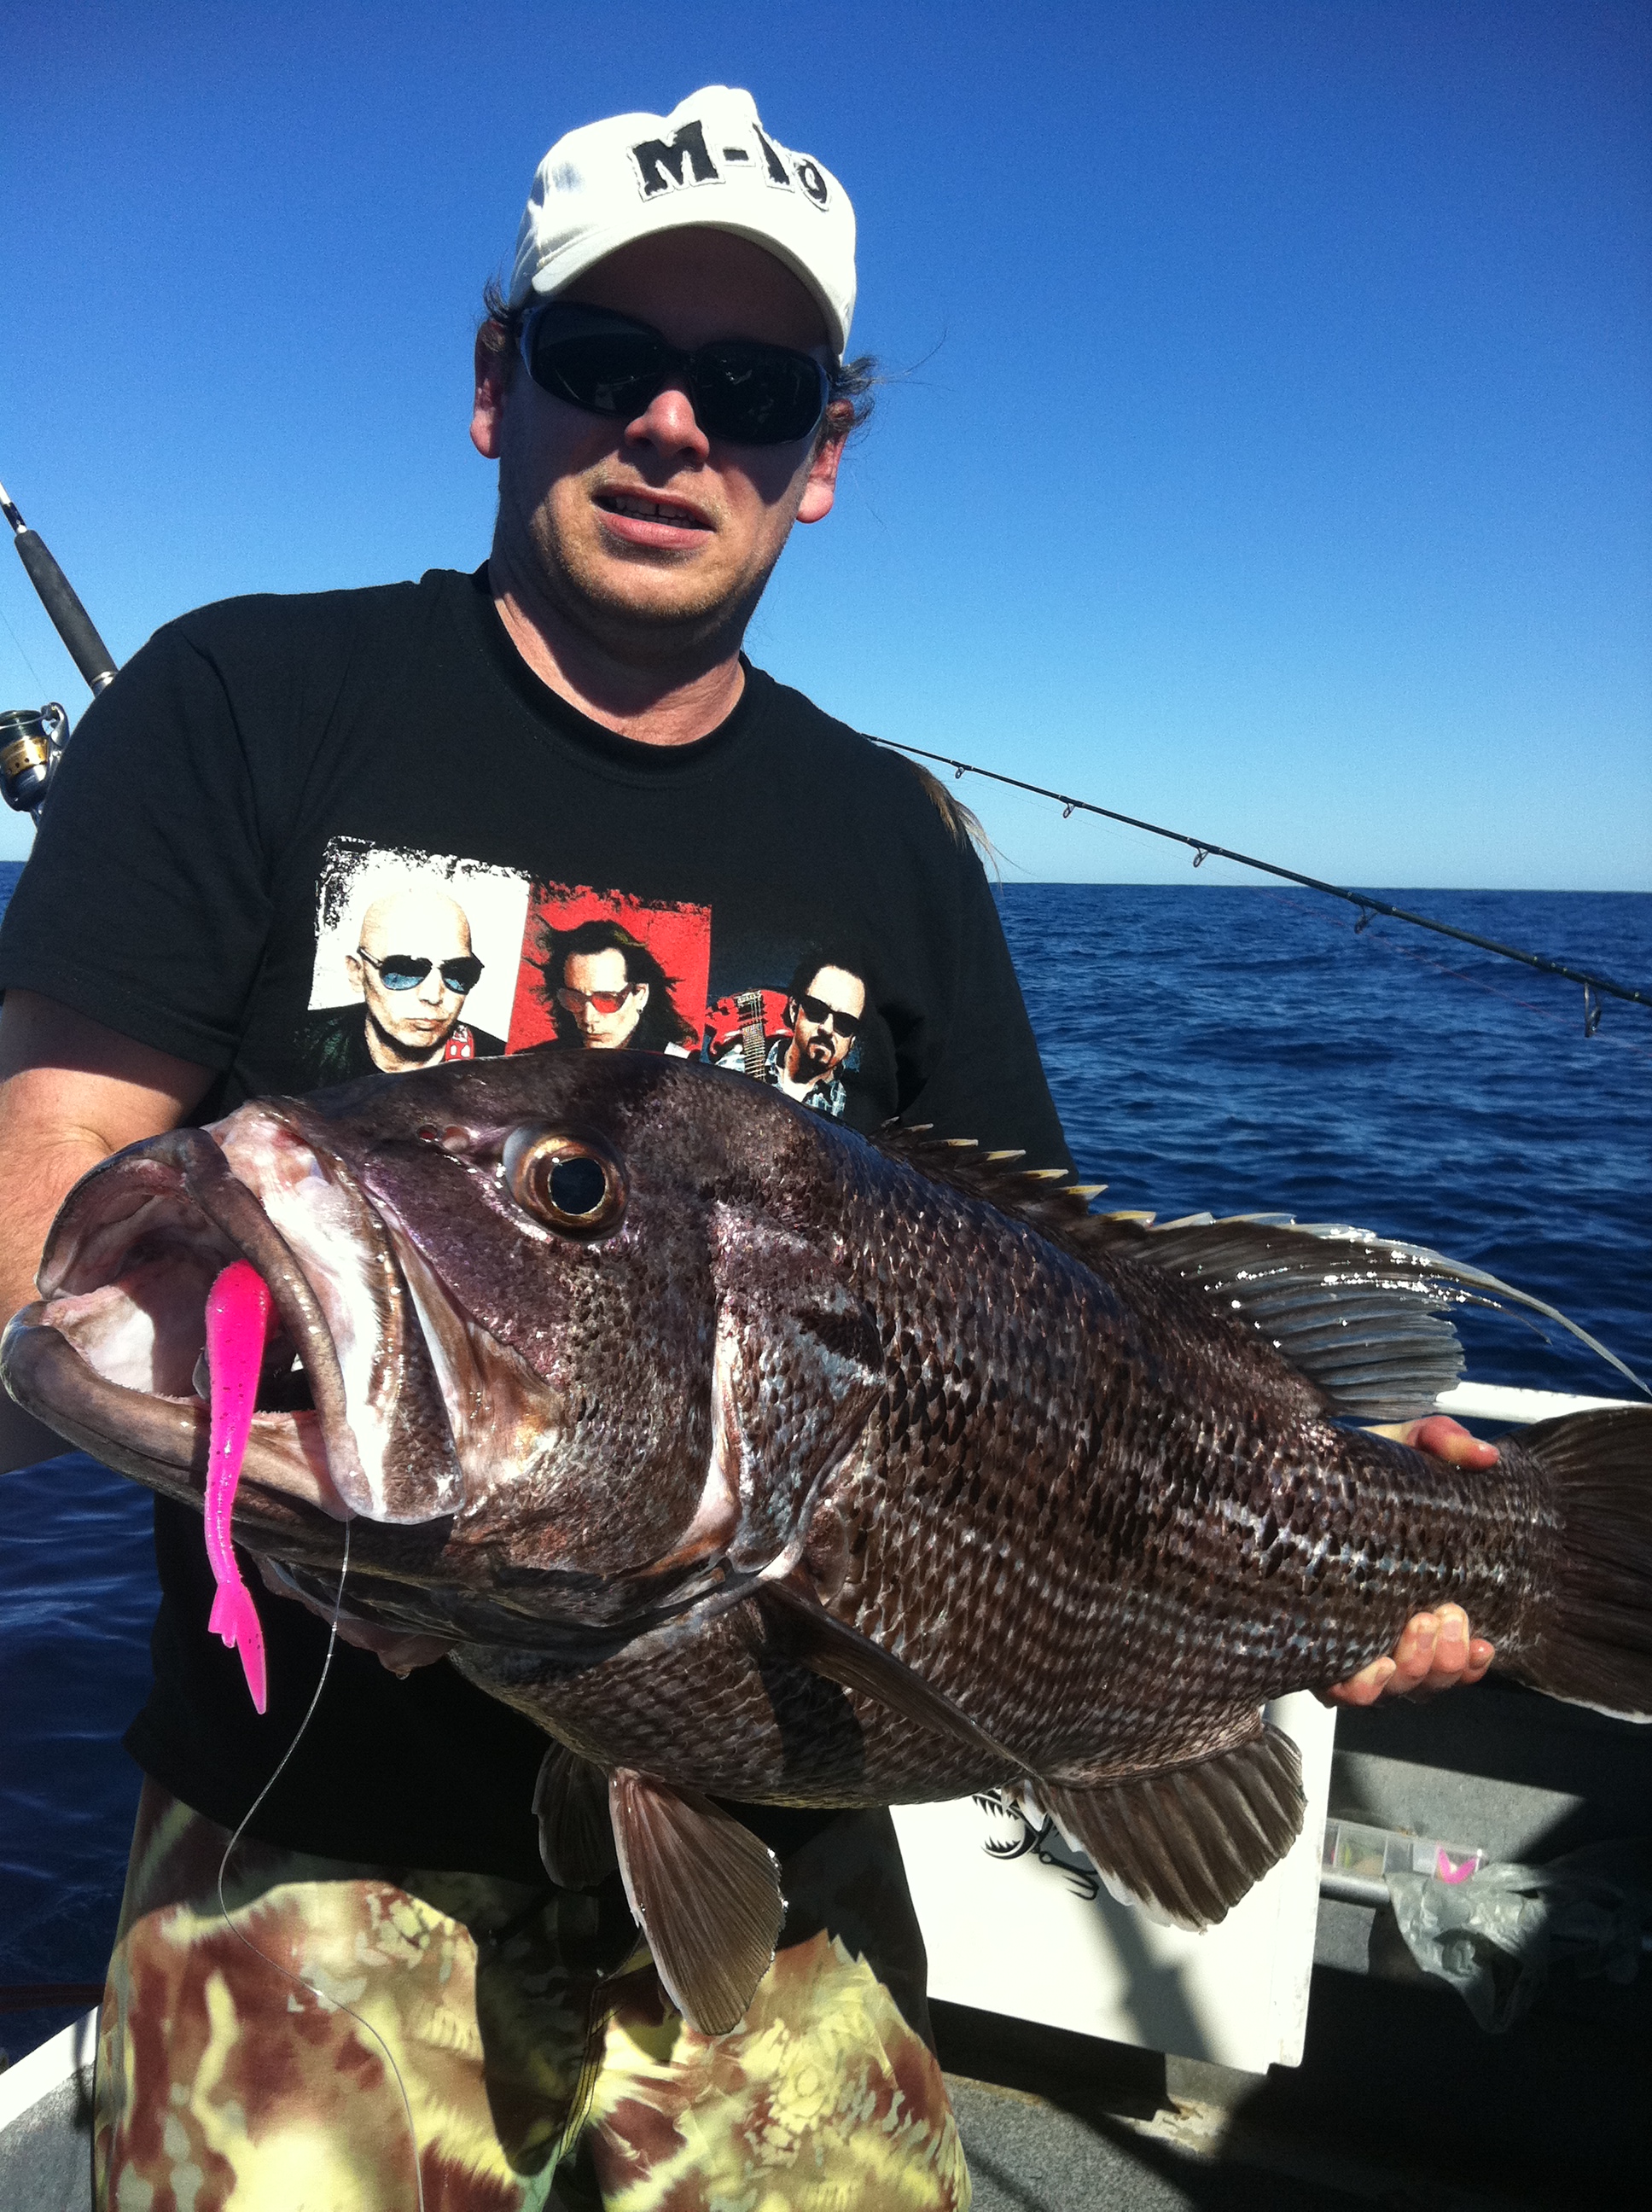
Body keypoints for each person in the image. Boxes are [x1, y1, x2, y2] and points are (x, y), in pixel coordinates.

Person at [0, 86, 1493, 2210]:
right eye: (605, 359)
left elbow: (1074, 1346)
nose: (672, 426)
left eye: (756, 389)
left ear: (823, 453)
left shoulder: (891, 837)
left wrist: (1354, 1544)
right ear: (497, 383)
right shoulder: (244, 699)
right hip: (299, 1848)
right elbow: (51, 1184)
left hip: (787, 1867)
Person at [299, 881, 503, 1081]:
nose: (433, 996)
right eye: (405, 971)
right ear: (357, 972)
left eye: (458, 973)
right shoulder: (299, 1045)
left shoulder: (503, 1067)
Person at [712, 946, 867, 1113]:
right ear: (794, 1010)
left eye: (845, 1023)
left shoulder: (857, 1112)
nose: (827, 1029)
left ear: (852, 1042)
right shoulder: (735, 1071)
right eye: (816, 1010)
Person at [532, 913, 697, 1051]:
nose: (588, 1018)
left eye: (606, 999)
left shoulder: (680, 1066)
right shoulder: (539, 1063)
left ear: (641, 995)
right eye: (574, 998)